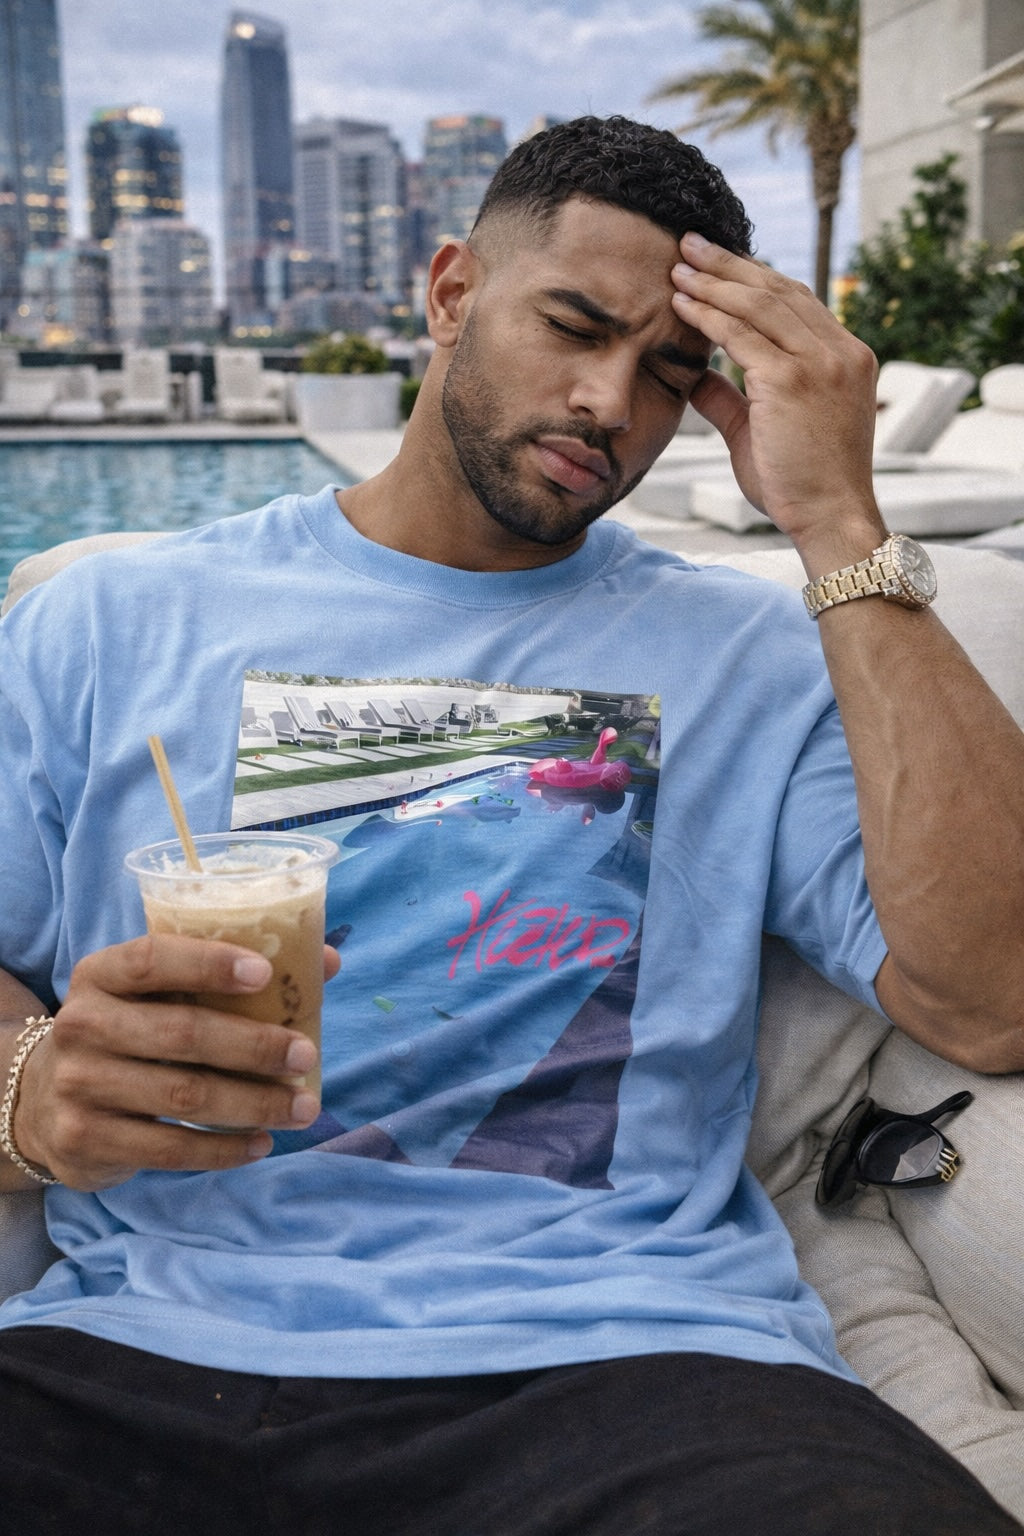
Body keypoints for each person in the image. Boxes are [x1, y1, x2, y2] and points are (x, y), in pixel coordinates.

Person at [0, 115, 1021, 1535]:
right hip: (149, 1351)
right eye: (574, 324)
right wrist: (28, 1090)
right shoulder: (106, 625)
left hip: (633, 1369)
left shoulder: (757, 654)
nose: (611, 401)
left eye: (669, 372)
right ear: (450, 292)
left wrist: (842, 523)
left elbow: (997, 997)